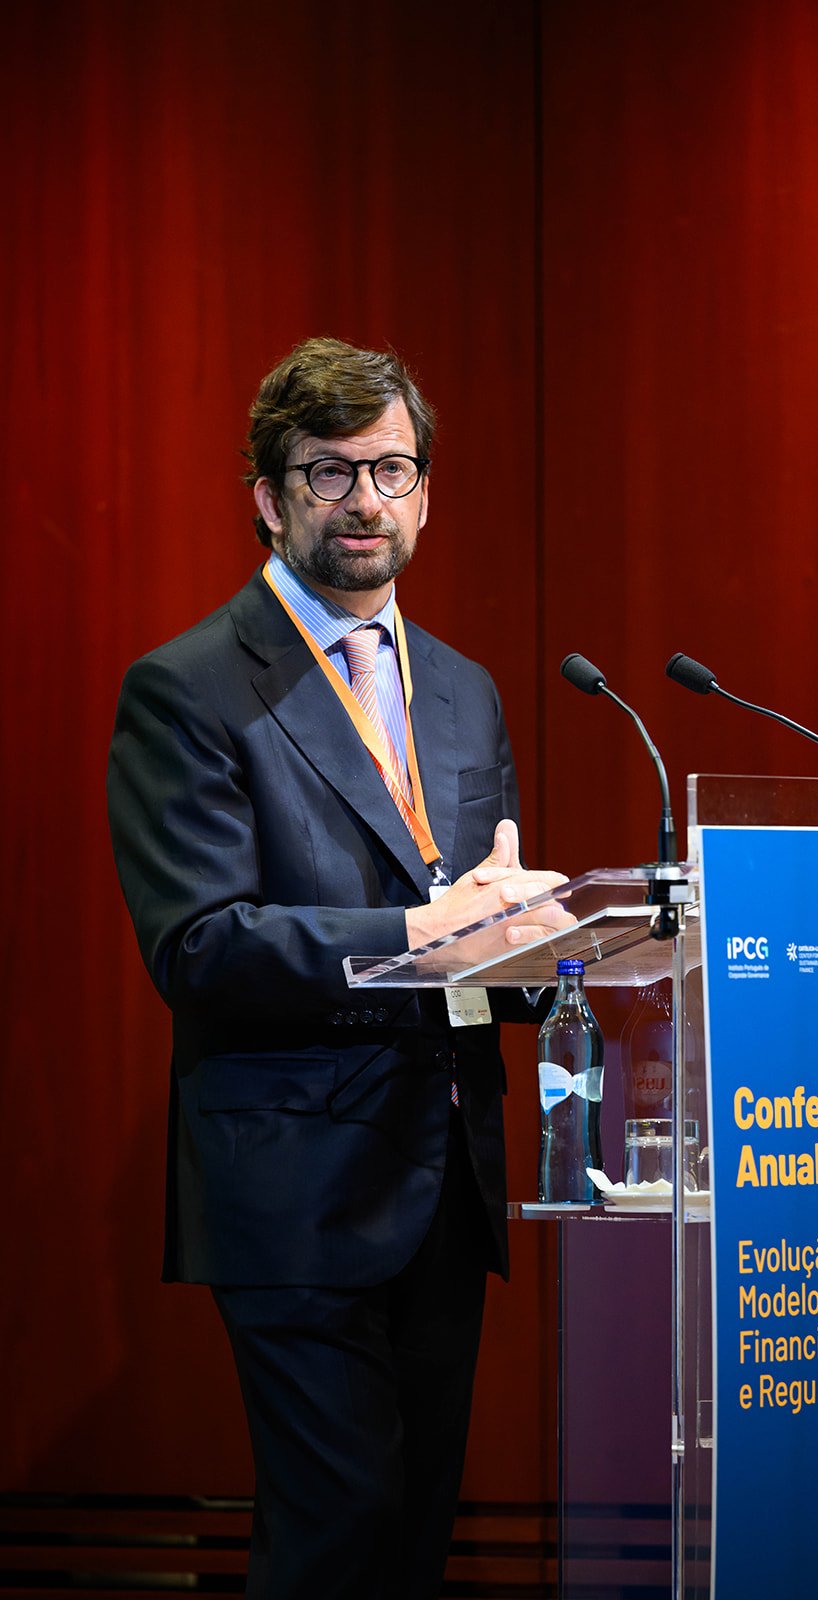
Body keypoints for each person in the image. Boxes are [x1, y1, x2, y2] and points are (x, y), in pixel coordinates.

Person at [107, 337, 571, 1600]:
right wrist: (427, 931)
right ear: (268, 497)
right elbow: (200, 947)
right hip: (296, 1185)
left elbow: (480, 922)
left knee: (412, 1535)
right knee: (337, 1536)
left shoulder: (465, 691)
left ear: (425, 490)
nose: (365, 500)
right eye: (328, 473)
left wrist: (566, 951)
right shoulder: (188, 689)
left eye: (391, 468)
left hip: (445, 1177)